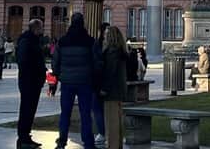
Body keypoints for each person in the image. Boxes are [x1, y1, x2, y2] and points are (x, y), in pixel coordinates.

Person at [52, 13, 102, 149]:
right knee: (85, 114)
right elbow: (97, 62)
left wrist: (57, 77)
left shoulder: (62, 41)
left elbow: (55, 62)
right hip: (85, 82)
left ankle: (62, 141)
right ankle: (88, 142)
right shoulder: (90, 41)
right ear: (83, 23)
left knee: (65, 113)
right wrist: (95, 78)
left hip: (67, 82)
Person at [15, 19, 47, 149]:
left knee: (30, 109)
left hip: (33, 81)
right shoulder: (27, 41)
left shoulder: (32, 40)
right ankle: (23, 137)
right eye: (41, 27)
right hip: (29, 81)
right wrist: (36, 70)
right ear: (36, 28)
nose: (43, 30)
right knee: (26, 109)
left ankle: (26, 136)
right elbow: (24, 62)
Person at [100, 26, 128, 149]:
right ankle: (118, 145)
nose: (104, 36)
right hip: (119, 90)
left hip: (111, 91)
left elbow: (110, 72)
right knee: (117, 121)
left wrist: (104, 88)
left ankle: (112, 146)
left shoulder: (111, 52)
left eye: (106, 34)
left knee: (111, 122)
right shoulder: (121, 51)